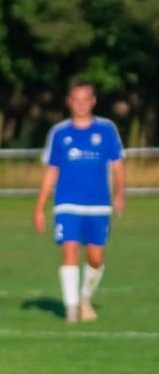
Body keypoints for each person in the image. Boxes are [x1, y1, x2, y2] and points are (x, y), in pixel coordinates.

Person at [33, 80, 125, 324]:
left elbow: (117, 166)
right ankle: (71, 308)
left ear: (93, 101)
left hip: (98, 203)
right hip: (67, 202)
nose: (81, 104)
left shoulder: (107, 130)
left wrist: (119, 194)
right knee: (70, 249)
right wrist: (39, 206)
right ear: (69, 102)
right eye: (76, 99)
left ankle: (85, 298)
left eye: (86, 99)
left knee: (95, 258)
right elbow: (52, 170)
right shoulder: (60, 133)